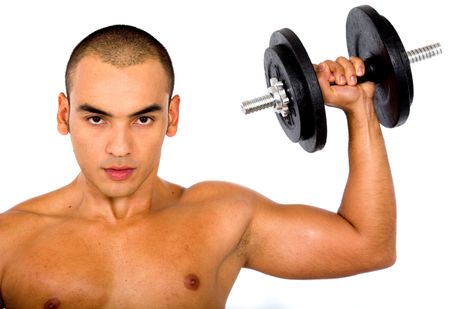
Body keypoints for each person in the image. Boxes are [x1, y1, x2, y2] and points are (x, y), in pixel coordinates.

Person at [0, 25, 396, 308]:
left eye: (143, 119)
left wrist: (359, 109)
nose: (120, 148)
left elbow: (369, 245)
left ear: (172, 117)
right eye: (96, 119)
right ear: (63, 114)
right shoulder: (9, 240)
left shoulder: (219, 216)